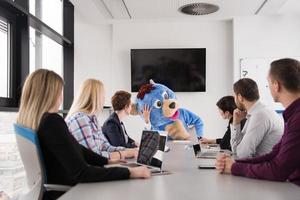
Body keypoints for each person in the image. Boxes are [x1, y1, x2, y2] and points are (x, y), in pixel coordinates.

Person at [16, 69, 150, 199]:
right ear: (49, 95)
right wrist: (129, 172)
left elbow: (76, 149)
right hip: (70, 191)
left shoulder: (37, 122)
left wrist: (106, 161)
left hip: (54, 189)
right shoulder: (51, 122)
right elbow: (82, 172)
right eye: (59, 92)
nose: (61, 97)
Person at [216, 58, 300, 186]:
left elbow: (278, 169)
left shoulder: (293, 118)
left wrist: (234, 167)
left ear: (276, 85)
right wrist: (234, 164)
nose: (268, 87)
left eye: (269, 82)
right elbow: (274, 154)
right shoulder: (292, 115)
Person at [66, 79, 138, 160]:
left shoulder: (93, 119)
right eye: (103, 96)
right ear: (96, 97)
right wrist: (123, 154)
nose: (104, 99)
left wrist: (129, 151)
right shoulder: (80, 120)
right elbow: (93, 156)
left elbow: (105, 146)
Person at [230, 78, 283, 158]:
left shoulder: (260, 115)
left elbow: (243, 154)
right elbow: (236, 150)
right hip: (260, 166)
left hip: (263, 168)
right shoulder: (255, 113)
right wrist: (236, 124)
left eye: (234, 95)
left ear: (240, 97)